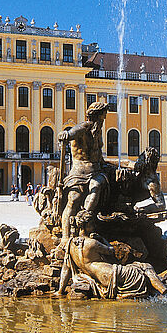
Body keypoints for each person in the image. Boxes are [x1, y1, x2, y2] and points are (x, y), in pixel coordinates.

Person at [57, 101, 113, 242]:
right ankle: (65, 236)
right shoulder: (83, 128)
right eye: (102, 117)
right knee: (73, 199)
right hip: (78, 172)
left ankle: (83, 222)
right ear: (95, 116)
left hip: (96, 171)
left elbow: (100, 158)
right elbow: (71, 133)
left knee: (97, 185)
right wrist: (65, 134)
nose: (103, 120)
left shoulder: (97, 133)